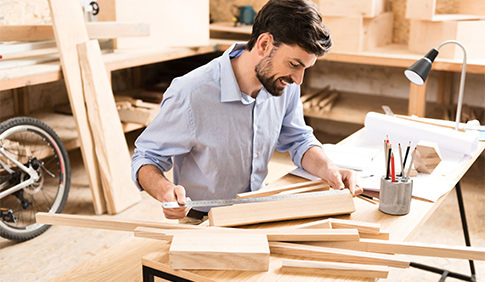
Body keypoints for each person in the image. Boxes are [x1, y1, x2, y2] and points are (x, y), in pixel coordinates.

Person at [131, 0, 362, 224]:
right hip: (203, 220)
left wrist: (329, 168)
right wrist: (165, 191)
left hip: (257, 210)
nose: (298, 79)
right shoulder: (190, 94)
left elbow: (298, 138)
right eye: (294, 64)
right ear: (264, 45)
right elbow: (146, 157)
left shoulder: (285, 84)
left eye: (305, 68)